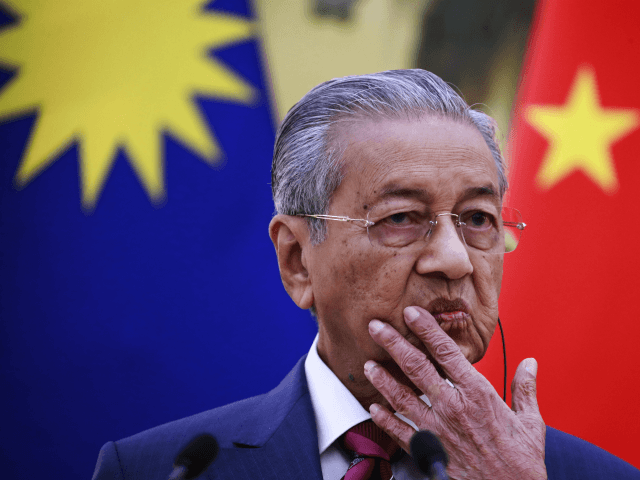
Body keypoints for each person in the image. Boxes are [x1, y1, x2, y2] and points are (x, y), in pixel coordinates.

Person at [92, 70, 640, 480]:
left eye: (478, 219)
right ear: (297, 260)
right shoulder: (160, 468)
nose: (455, 260)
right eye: (401, 218)